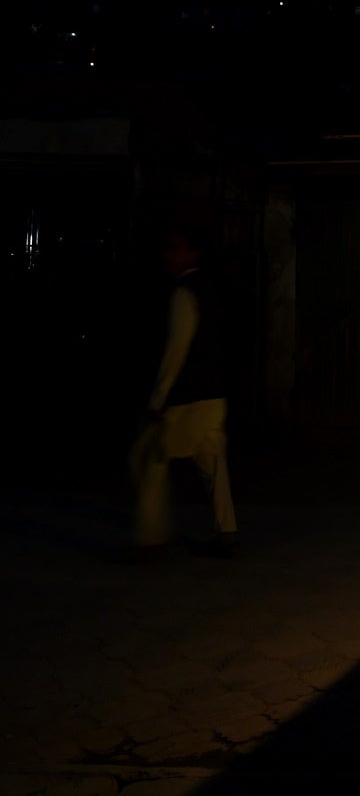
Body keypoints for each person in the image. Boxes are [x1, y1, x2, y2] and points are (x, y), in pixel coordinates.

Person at [125, 225, 240, 560]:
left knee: (148, 459)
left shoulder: (184, 292)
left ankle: (151, 538)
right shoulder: (212, 289)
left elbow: (176, 350)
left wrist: (158, 398)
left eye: (175, 249)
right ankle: (227, 531)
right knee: (213, 463)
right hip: (213, 393)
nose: (167, 255)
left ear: (192, 253)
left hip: (186, 398)